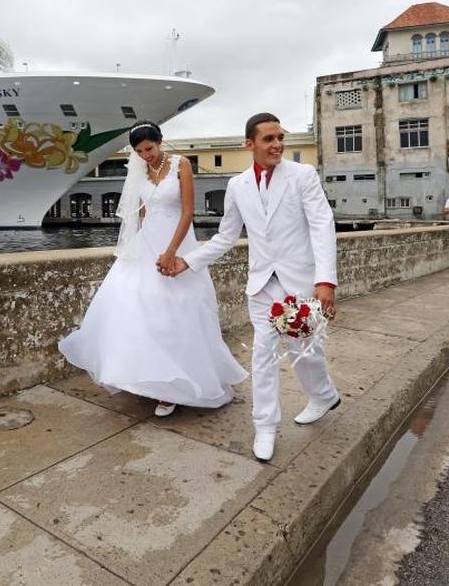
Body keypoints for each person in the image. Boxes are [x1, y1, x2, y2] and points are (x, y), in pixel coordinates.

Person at [161, 113, 339, 462]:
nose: (276, 145)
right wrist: (189, 260)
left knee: (305, 348)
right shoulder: (237, 185)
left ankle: (323, 394)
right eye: (268, 139)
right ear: (249, 144)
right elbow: (227, 236)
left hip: (299, 280)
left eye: (279, 138)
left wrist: (325, 281)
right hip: (261, 284)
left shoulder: (303, 176)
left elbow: (321, 224)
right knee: (263, 353)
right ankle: (265, 426)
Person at [58, 121, 246, 417]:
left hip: (178, 241)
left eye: (150, 148)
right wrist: (140, 247)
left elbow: (187, 212)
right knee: (135, 308)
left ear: (160, 142)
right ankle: (148, 379)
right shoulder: (138, 169)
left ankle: (175, 389)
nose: (146, 155)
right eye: (139, 150)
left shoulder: (181, 164)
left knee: (179, 311)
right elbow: (143, 212)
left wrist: (171, 252)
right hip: (146, 243)